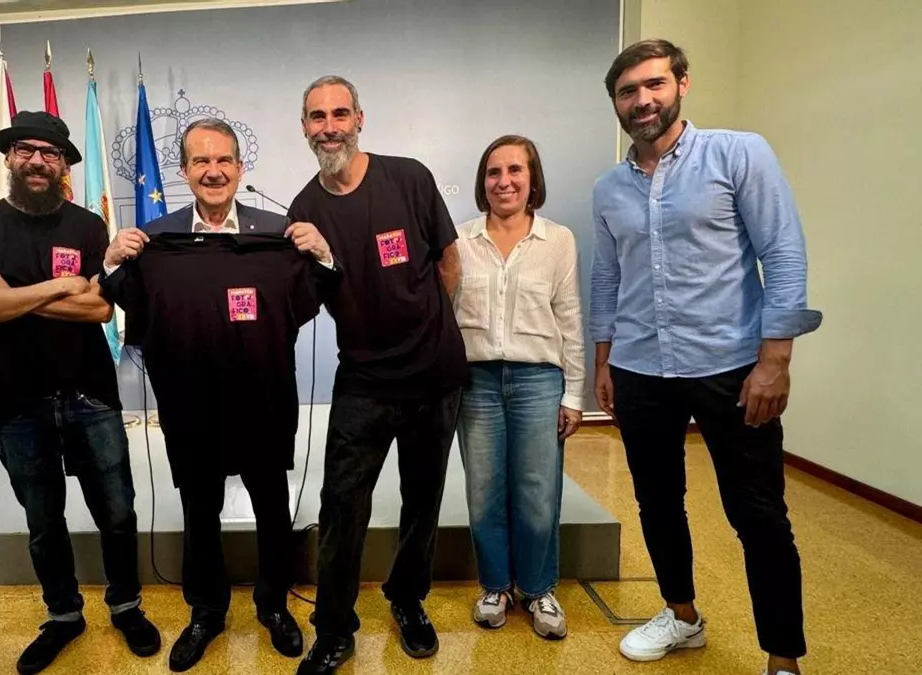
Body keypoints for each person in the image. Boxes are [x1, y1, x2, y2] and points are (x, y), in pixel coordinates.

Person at [590, 39, 822, 675]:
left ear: (682, 84)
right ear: (616, 103)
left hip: (732, 367)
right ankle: (682, 616)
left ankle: (783, 657)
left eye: (654, 85)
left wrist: (776, 361)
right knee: (657, 501)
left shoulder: (738, 154)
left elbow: (783, 252)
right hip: (640, 367)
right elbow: (608, 278)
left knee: (758, 513)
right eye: (628, 92)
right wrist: (604, 360)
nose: (642, 100)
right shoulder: (609, 189)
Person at [99, 118, 336, 671]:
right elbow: (123, 298)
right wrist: (111, 260)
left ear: (239, 167)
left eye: (223, 160)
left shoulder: (277, 234)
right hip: (191, 406)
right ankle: (205, 612)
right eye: (201, 161)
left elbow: (312, 296)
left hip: (263, 401)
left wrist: (322, 253)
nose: (213, 171)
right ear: (184, 171)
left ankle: (274, 606)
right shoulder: (155, 241)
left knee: (272, 510)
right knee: (199, 512)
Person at [0, 111, 160, 675]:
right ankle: (63, 616)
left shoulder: (88, 226)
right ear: (9, 158)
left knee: (117, 511)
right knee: (43, 522)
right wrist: (60, 287)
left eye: (50, 152)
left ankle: (126, 605)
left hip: (91, 394)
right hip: (17, 401)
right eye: (26, 150)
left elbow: (99, 309)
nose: (38, 160)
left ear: (64, 164)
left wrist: (12, 294)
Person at [287, 75, 466, 675]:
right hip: (363, 381)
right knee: (341, 505)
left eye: (340, 114)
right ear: (305, 127)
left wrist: (427, 329)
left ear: (360, 119)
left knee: (423, 499)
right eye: (317, 117)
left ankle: (407, 600)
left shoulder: (408, 178)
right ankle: (334, 628)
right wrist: (320, 256)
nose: (329, 126)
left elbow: (449, 260)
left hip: (435, 376)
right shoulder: (304, 211)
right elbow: (305, 302)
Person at [452, 135, 585, 637]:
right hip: (476, 381)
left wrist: (574, 395)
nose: (503, 181)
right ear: (482, 181)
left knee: (537, 491)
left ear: (533, 180)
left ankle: (538, 588)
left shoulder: (558, 241)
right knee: (484, 491)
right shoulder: (460, 240)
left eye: (515, 171)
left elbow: (570, 319)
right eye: (494, 172)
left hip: (538, 380)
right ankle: (495, 586)